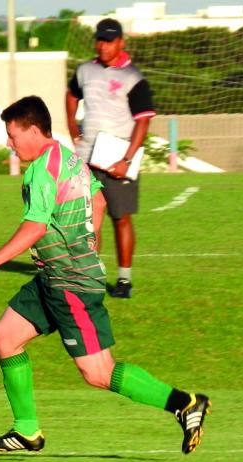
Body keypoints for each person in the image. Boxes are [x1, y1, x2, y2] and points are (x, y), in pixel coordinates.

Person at [0, 96, 209, 454]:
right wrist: (88, 244)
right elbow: (101, 200)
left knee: (98, 373)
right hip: (54, 277)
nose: (9, 144)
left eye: (13, 136)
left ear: (32, 130)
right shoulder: (68, 158)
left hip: (71, 283)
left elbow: (34, 227)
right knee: (4, 337)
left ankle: (184, 403)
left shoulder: (42, 169)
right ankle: (27, 430)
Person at [65, 18, 155, 298]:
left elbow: (143, 122)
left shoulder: (134, 77)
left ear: (121, 43)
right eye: (100, 40)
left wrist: (126, 160)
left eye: (110, 40)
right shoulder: (85, 70)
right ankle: (90, 276)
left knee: (122, 218)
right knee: (90, 218)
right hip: (87, 157)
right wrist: (72, 125)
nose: (104, 46)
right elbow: (71, 95)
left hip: (118, 158)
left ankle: (124, 281)